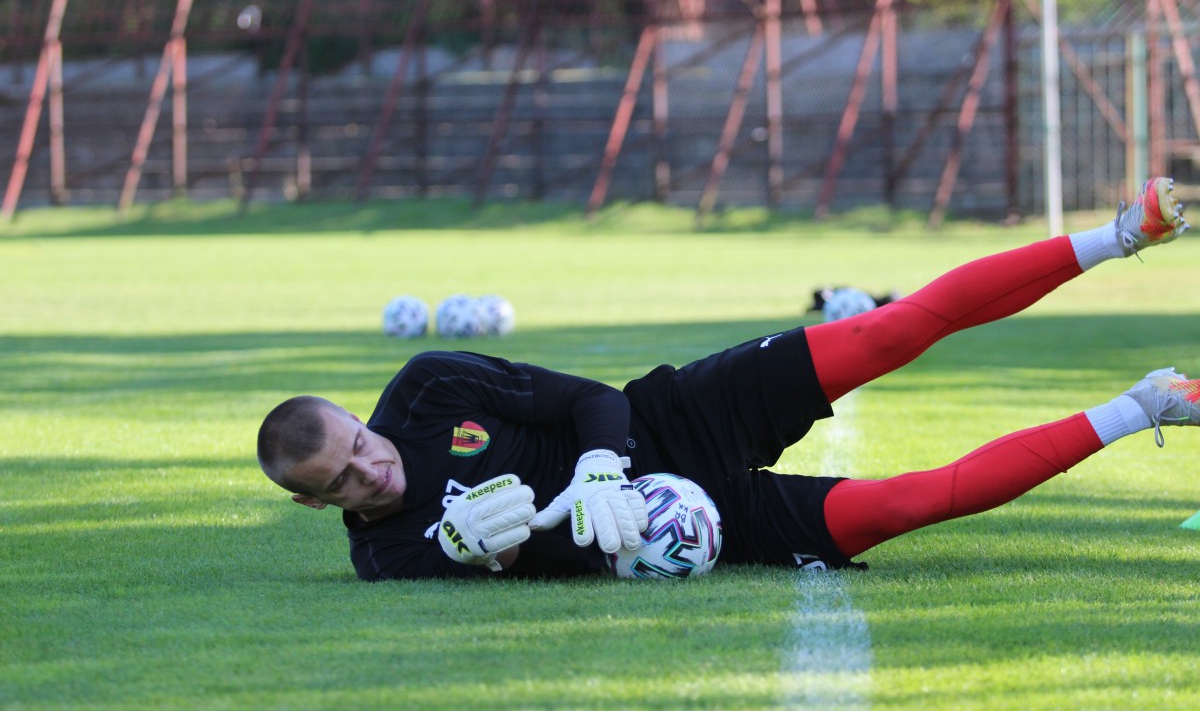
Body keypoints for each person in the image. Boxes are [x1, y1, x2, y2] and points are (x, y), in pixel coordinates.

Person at [257, 177, 1197, 580]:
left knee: (889, 331)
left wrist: (596, 467)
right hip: (693, 528)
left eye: (360, 443)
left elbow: (592, 400)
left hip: (677, 420)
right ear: (313, 503)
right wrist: (479, 561)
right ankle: (1145, 405)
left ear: (357, 416)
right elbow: (508, 576)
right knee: (909, 504)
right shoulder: (388, 559)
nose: (371, 468)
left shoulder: (428, 388)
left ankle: (1121, 233)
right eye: (343, 481)